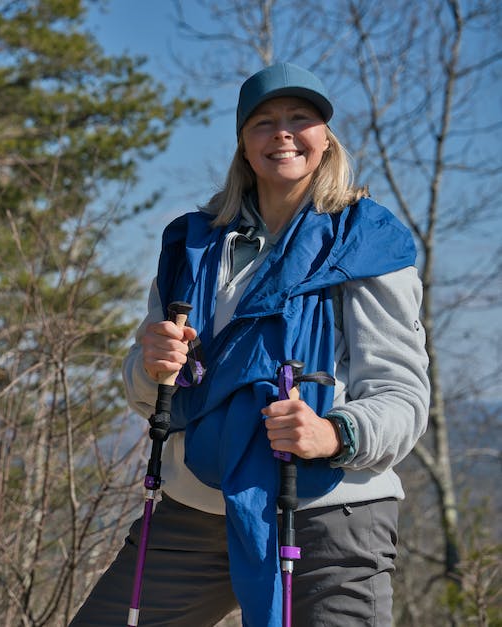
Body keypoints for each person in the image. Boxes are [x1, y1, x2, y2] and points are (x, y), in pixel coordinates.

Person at [71, 62, 430, 626]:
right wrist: (150, 367)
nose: (282, 132)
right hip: (197, 502)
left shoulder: (366, 243)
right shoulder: (194, 245)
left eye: (300, 118)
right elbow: (150, 395)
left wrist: (333, 432)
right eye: (263, 122)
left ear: (325, 136)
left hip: (328, 508)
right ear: (243, 142)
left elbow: (402, 395)